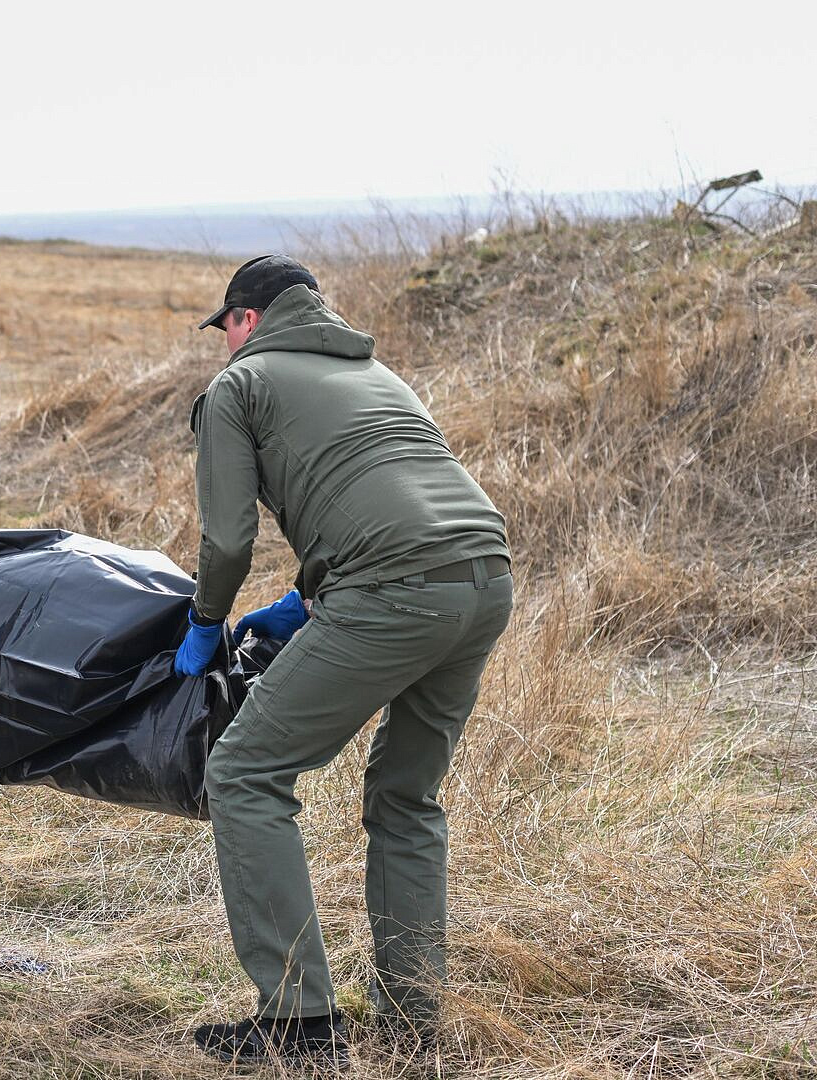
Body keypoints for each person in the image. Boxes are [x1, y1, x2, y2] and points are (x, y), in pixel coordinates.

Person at [175, 255, 511, 1066]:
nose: (225, 344)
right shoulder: (378, 373)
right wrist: (306, 598)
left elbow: (225, 541)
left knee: (246, 772)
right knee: (406, 793)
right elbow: (382, 489)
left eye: (226, 329)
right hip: (486, 576)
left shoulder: (238, 387)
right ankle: (415, 1018)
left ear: (245, 320)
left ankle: (299, 1025)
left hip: (391, 590)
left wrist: (205, 623)